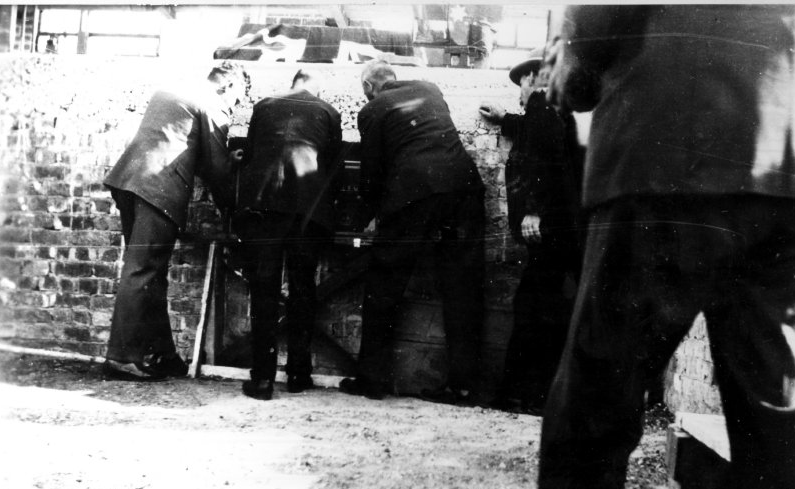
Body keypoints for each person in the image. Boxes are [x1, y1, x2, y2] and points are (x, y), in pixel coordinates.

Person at [538, 5, 795, 489]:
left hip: (679, 139)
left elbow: (598, 22)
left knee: (598, 395)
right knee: (780, 419)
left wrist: (573, 55)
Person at [339, 60, 486, 403]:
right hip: (463, 187)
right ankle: (464, 386)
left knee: (385, 283)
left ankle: (372, 380)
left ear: (368, 88)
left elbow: (372, 172)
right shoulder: (429, 88)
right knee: (463, 286)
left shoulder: (373, 108)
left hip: (414, 192)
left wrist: (367, 215)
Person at [103, 61, 248, 381]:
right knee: (142, 271)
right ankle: (122, 357)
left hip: (128, 181)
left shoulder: (171, 91)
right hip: (158, 190)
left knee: (151, 273)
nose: (235, 108)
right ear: (231, 87)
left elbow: (175, 141)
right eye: (237, 101)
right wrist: (232, 198)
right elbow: (215, 170)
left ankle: (165, 355)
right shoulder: (214, 105)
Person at [478, 48, 584, 414]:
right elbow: (540, 137)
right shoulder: (556, 111)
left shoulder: (542, 107)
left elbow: (545, 158)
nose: (520, 95)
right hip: (569, 229)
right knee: (548, 306)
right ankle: (536, 395)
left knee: (533, 308)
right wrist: (507, 118)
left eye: (520, 87)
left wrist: (535, 211)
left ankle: (527, 395)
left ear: (530, 78)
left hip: (551, 228)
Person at [235, 69, 343, 400]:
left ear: (293, 82)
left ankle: (263, 379)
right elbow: (334, 170)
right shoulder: (329, 112)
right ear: (316, 85)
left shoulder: (264, 106)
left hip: (264, 207)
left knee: (264, 291)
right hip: (308, 212)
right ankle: (299, 374)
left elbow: (251, 157)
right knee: (303, 290)